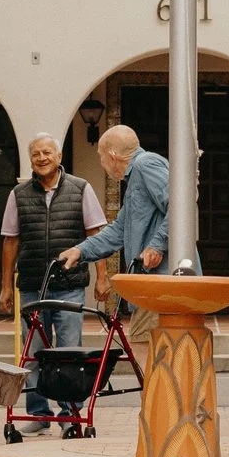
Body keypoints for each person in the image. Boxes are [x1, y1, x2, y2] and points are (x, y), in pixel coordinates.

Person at [0, 131, 108, 433]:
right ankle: (38, 413)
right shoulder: (18, 195)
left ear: (59, 157)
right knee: (32, 351)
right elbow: (10, 241)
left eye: (47, 152)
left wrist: (102, 278)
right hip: (32, 284)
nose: (42, 158)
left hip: (70, 283)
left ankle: (70, 413)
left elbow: (96, 235)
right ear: (30, 160)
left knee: (69, 352)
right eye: (36, 154)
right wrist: (6, 285)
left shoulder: (81, 188)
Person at [57, 123, 187, 346]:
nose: (102, 164)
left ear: (112, 156)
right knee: (147, 357)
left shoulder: (146, 165)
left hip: (161, 287)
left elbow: (181, 203)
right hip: (151, 289)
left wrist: (157, 244)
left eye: (101, 157)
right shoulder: (136, 176)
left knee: (150, 359)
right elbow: (117, 231)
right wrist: (80, 250)